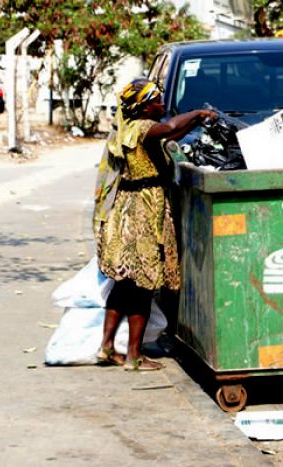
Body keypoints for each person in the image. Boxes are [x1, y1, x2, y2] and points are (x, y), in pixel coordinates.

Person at [93, 78, 217, 371]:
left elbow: (170, 133)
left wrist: (195, 124)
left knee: (123, 283)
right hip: (142, 212)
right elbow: (172, 128)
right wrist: (198, 113)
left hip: (126, 208)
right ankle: (134, 356)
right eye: (157, 101)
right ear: (144, 107)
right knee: (143, 286)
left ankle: (107, 347)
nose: (162, 105)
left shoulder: (130, 127)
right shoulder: (141, 128)